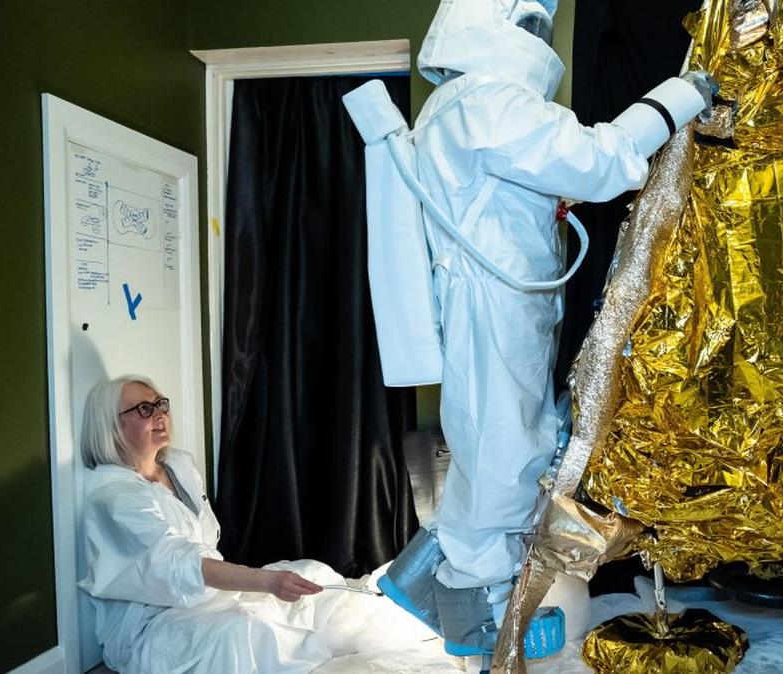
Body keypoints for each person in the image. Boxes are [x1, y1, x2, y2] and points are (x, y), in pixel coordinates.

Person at [369, 0, 714, 659]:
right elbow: (600, 158)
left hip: (500, 298)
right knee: (504, 456)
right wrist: (683, 93)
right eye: (532, 21)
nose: (539, 34)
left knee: (508, 449)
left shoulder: (469, 102)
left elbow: (528, 184)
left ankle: (432, 581)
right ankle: (482, 618)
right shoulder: (484, 100)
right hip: (494, 300)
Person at [78, 375, 384, 673]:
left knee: (312, 572)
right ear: (112, 426)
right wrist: (267, 583)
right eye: (145, 409)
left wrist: (268, 583)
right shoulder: (114, 500)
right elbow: (178, 563)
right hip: (154, 624)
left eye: (160, 404)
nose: (159, 414)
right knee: (240, 630)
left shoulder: (179, 466)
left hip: (211, 596)